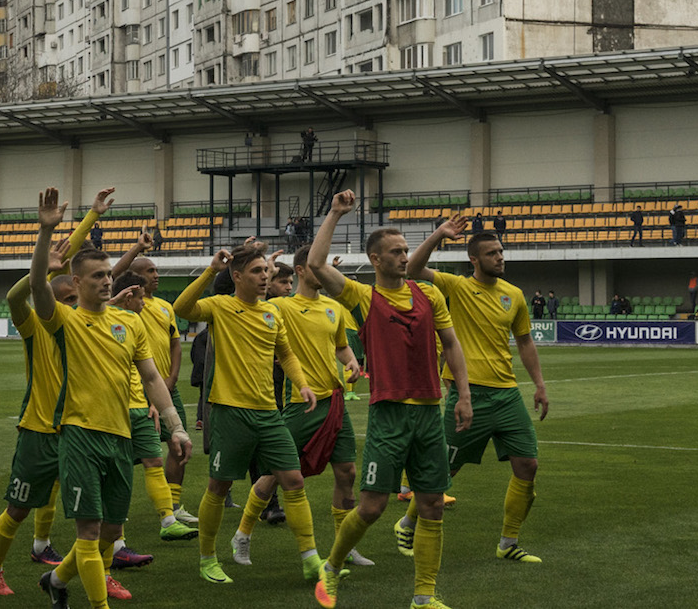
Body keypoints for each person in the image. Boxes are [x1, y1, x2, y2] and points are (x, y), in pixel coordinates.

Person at [307, 192, 473, 609]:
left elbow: (451, 344)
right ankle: (332, 564)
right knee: (372, 507)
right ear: (376, 260)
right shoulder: (363, 298)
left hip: (429, 412)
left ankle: (424, 595)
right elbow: (315, 265)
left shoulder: (429, 296)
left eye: (405, 250)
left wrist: (463, 394)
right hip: (389, 414)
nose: (403, 257)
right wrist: (336, 213)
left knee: (432, 503)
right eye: (395, 252)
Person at [27, 187, 191, 609]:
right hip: (80, 435)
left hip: (121, 437)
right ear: (77, 283)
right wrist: (46, 234)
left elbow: (152, 375)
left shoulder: (127, 323)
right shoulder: (63, 319)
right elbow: (37, 289)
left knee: (107, 533)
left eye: (108, 275)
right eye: (97, 276)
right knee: (88, 529)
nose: (105, 281)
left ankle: (57, 580)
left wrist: (175, 426)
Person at [172, 241, 321, 586]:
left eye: (266, 271)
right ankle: (207, 558)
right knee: (219, 486)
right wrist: (211, 269)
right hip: (230, 413)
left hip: (269, 413)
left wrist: (301, 384)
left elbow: (286, 353)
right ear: (237, 277)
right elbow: (183, 306)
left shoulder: (272, 313)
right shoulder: (221, 306)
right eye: (257, 271)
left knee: (294, 481)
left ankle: (311, 558)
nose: (265, 277)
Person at [0, 190, 109, 597]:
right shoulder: (36, 326)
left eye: (75, 298)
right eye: (66, 299)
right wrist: (45, 238)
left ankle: (80, 568)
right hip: (39, 430)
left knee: (89, 515)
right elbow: (16, 295)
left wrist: (91, 215)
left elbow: (70, 259)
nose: (73, 304)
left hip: (78, 430)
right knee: (19, 508)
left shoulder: (85, 325)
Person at [405, 215, 550, 565]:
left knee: (528, 466)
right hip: (468, 395)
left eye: (501, 251)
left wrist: (540, 384)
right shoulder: (455, 286)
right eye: (492, 253)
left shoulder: (513, 295)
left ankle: (508, 542)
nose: (500, 257)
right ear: (474, 259)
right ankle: (408, 521)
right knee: (442, 471)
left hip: (507, 394)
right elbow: (411, 269)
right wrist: (439, 234)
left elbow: (525, 341)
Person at [229, 245, 372, 571]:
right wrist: (265, 264)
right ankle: (243, 533)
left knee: (347, 473)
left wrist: (350, 362)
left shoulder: (332, 308)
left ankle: (344, 546)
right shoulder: (281, 306)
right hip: (299, 404)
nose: (324, 271)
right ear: (302, 270)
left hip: (333, 402)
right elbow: (253, 305)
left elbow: (341, 346)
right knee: (274, 475)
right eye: (316, 266)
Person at [112, 226, 200, 530]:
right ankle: (118, 515)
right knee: (134, 454)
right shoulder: (126, 304)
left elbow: (176, 343)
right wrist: (137, 248)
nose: (156, 275)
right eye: (149, 271)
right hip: (135, 391)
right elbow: (112, 275)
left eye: (156, 270)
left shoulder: (165, 307)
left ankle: (174, 507)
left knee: (179, 444)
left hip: (166, 387)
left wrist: (173, 378)